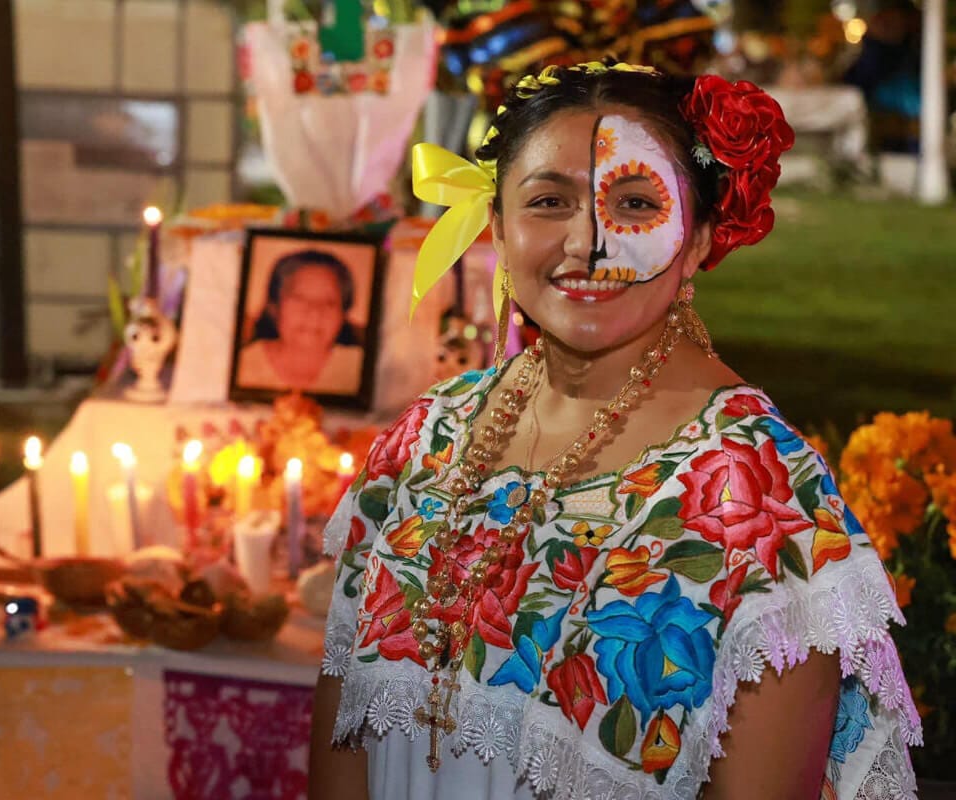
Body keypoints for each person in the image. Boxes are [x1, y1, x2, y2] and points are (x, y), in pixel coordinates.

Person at [309, 60, 920, 800]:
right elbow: (341, 739)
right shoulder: (423, 440)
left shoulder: (756, 505)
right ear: (496, 225)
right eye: (548, 201)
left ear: (697, 238)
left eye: (634, 203)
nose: (588, 243)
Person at [236, 248, 364, 396]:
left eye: (329, 303)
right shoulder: (244, 366)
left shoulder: (357, 368)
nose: (314, 313)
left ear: (344, 314)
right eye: (299, 298)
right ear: (274, 307)